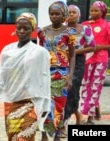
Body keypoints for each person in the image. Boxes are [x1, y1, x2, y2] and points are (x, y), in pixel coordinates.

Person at [0, 12, 51, 141]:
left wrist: (45, 106)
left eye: (26, 28)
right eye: (19, 28)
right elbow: (1, 76)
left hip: (31, 103)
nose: (22, 31)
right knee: (12, 137)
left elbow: (44, 80)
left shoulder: (40, 52)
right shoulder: (7, 50)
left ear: (32, 30)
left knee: (24, 138)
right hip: (11, 102)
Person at [37, 1, 76, 141]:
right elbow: (40, 53)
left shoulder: (69, 32)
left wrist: (70, 77)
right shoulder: (42, 32)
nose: (54, 16)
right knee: (43, 104)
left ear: (63, 14)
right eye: (51, 14)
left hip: (61, 74)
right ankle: (43, 134)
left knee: (59, 106)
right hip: (44, 73)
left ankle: (57, 135)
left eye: (57, 14)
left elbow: (72, 56)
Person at [60, 4, 96, 137]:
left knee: (72, 91)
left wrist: (74, 52)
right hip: (62, 63)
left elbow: (93, 47)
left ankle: (64, 124)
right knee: (65, 92)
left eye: (74, 12)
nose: (71, 15)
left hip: (78, 63)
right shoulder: (61, 29)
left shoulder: (85, 29)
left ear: (79, 15)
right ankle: (79, 118)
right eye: (69, 12)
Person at [80, 1, 110, 125]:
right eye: (92, 10)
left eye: (96, 10)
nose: (93, 13)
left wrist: (99, 47)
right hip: (86, 59)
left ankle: (89, 116)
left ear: (102, 11)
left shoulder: (107, 25)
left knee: (95, 86)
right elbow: (79, 42)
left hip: (101, 60)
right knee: (86, 86)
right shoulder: (84, 25)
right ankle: (95, 109)